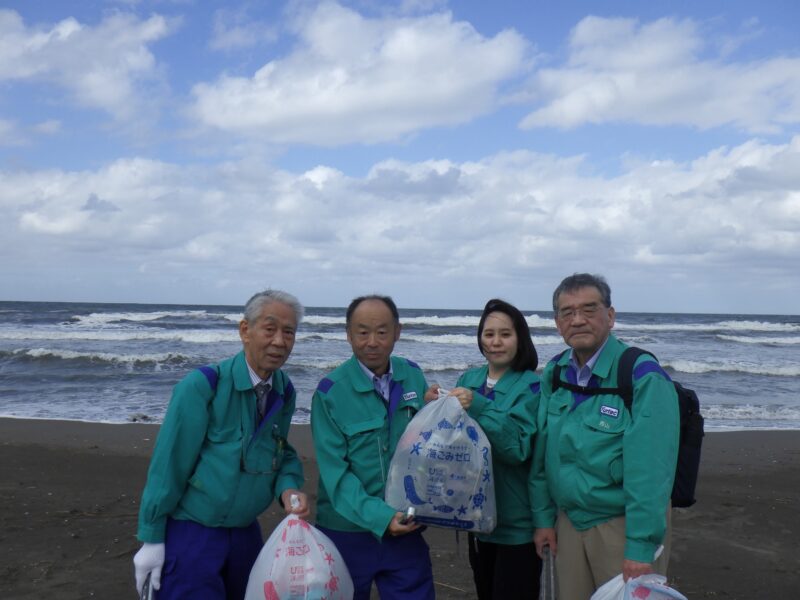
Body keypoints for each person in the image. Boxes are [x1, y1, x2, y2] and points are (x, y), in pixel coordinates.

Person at [133, 290, 310, 599]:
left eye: (289, 332)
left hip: (245, 534)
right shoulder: (203, 386)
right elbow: (168, 466)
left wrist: (289, 487)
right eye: (270, 329)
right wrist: (152, 538)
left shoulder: (284, 390)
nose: (279, 341)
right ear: (245, 330)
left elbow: (281, 451)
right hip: (194, 532)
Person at [531, 273, 679, 600]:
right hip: (569, 523)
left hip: (621, 525)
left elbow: (652, 472)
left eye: (589, 309)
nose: (578, 320)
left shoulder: (641, 375)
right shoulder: (555, 373)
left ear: (610, 316)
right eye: (567, 312)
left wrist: (641, 546)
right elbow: (543, 454)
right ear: (557, 323)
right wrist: (543, 519)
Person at [310, 294, 435, 600]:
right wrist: (380, 518)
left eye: (382, 332)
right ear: (348, 335)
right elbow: (335, 476)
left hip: (405, 526)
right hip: (346, 531)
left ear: (397, 332)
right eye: (362, 332)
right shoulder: (330, 393)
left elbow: (426, 445)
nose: (372, 342)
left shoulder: (412, 376)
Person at [427, 298, 542, 599]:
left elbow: (517, 448)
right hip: (474, 516)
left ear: (520, 338)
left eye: (505, 334)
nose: (495, 342)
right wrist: (434, 406)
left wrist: (479, 405)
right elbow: (451, 440)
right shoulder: (470, 379)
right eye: (489, 334)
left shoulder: (532, 386)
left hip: (516, 524)